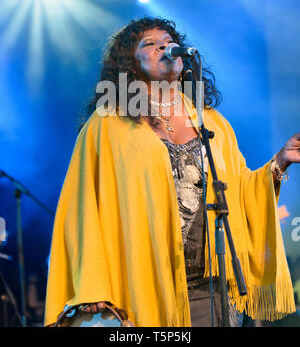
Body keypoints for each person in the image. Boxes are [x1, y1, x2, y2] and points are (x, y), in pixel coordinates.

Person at [44, 17, 299, 327]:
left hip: (211, 290)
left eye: (167, 41)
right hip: (141, 288)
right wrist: (92, 284)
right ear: (130, 64)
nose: (163, 46)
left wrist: (279, 163)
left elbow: (238, 192)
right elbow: (83, 210)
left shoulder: (211, 122)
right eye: (149, 44)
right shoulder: (107, 125)